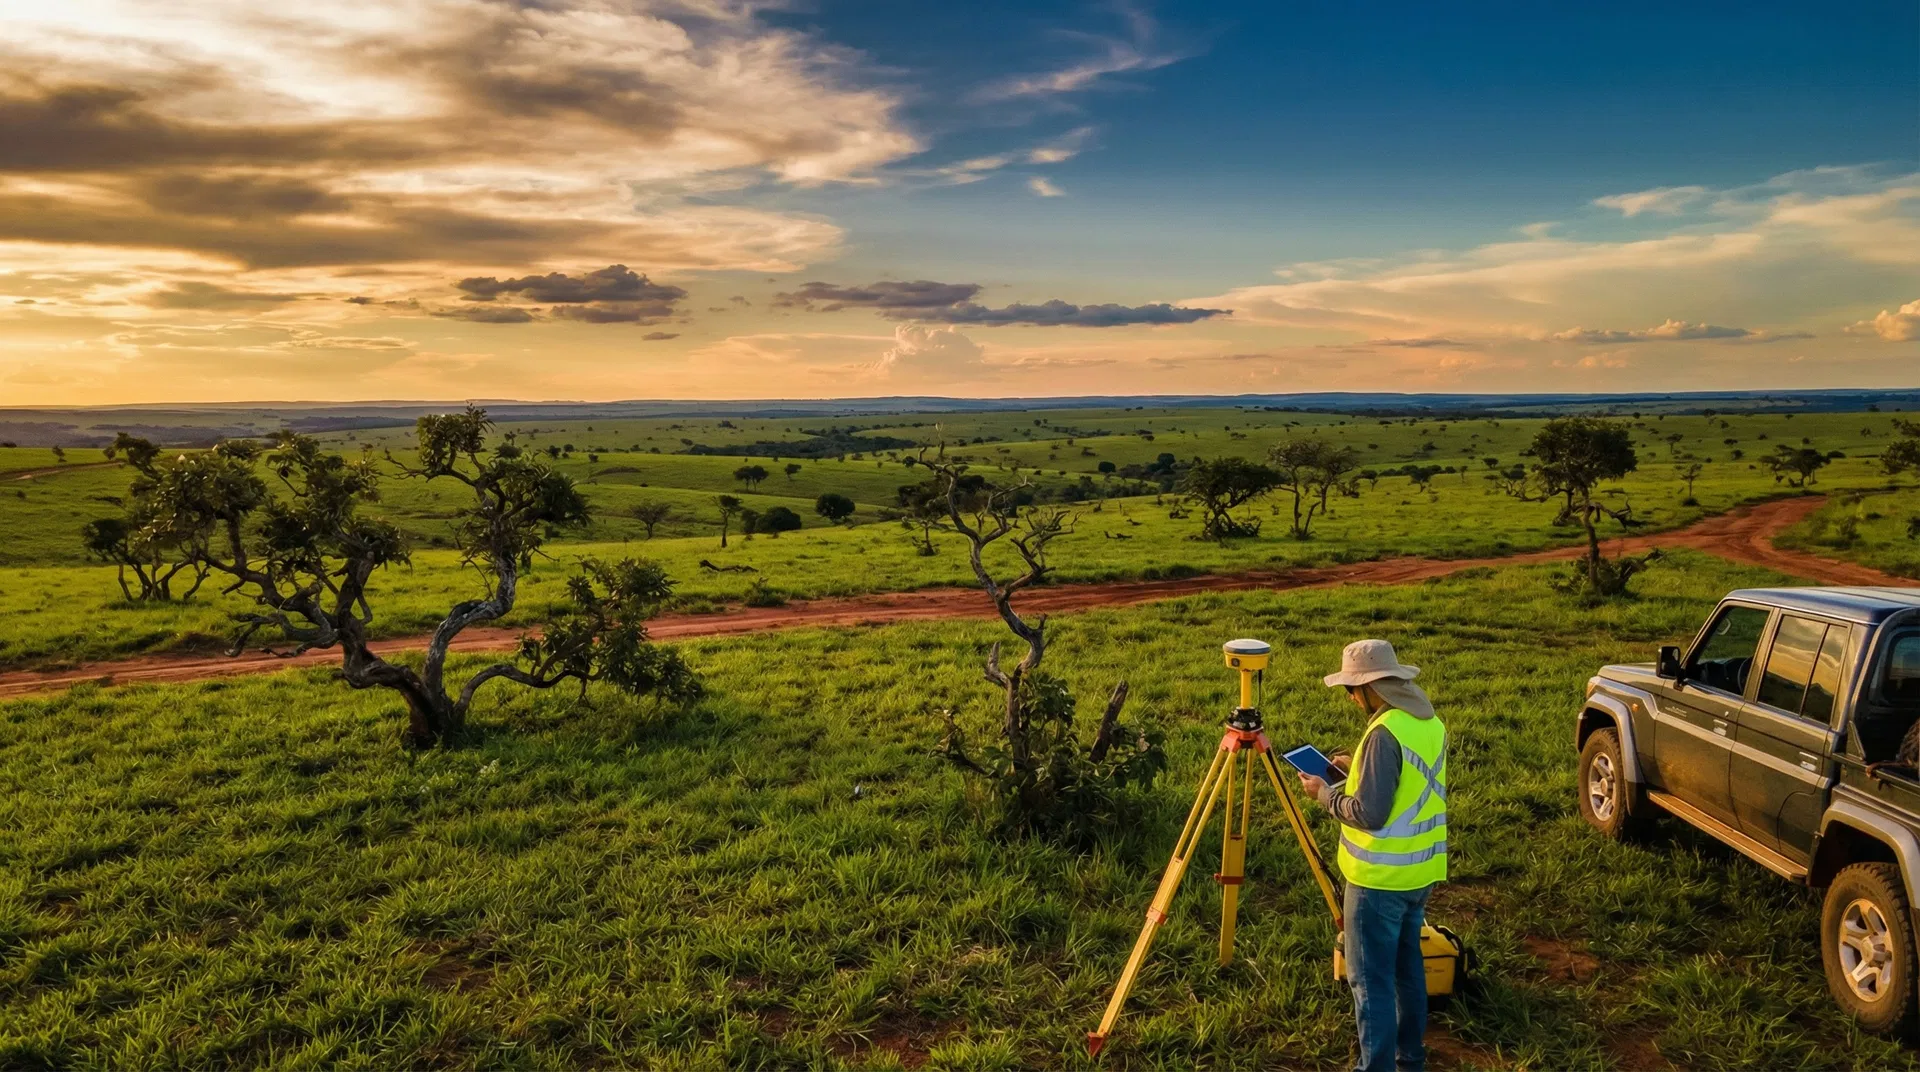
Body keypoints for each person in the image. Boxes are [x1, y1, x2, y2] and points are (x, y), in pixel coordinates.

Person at [1296, 638, 1447, 1072]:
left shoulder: (1383, 733)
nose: (1349, 697)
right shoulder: (1425, 720)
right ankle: (1409, 1060)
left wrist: (1325, 794)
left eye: (1350, 689)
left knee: (1371, 984)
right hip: (1419, 872)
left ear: (1369, 688)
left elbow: (1370, 812)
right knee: (1406, 970)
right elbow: (1405, 786)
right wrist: (1354, 770)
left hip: (1378, 879)